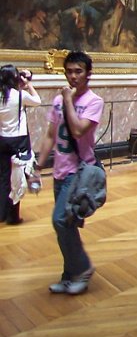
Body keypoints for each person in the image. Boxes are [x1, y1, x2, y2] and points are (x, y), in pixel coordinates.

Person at [35, 51, 104, 294]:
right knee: (67, 225)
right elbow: (50, 135)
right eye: (69, 72)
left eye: (78, 71)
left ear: (88, 74)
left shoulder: (94, 102)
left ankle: (83, 268)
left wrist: (67, 101)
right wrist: (38, 167)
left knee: (61, 220)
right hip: (60, 171)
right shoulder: (58, 101)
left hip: (79, 172)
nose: (73, 77)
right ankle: (69, 275)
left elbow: (77, 130)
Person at [0, 65, 41, 224]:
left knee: (4, 178)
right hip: (19, 141)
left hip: (3, 139)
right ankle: (13, 216)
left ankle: (2, 213)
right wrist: (29, 84)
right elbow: (37, 101)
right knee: (17, 179)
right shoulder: (20, 96)